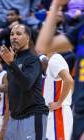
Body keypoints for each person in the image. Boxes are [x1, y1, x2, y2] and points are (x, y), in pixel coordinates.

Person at [35, 0, 84, 139]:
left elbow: (69, 80)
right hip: (77, 108)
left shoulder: (56, 59)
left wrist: (59, 103)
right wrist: (56, 5)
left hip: (60, 110)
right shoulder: (81, 30)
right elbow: (42, 47)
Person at [0, 24, 49, 140]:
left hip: (32, 114)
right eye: (12, 34)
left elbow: (26, 84)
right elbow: (12, 87)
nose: (14, 37)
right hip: (15, 116)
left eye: (18, 34)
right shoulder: (14, 60)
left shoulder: (32, 59)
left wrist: (11, 64)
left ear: (27, 38)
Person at [40, 54, 74, 140]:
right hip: (55, 113)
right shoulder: (47, 73)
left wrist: (60, 102)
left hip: (58, 113)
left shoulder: (53, 61)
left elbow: (69, 80)